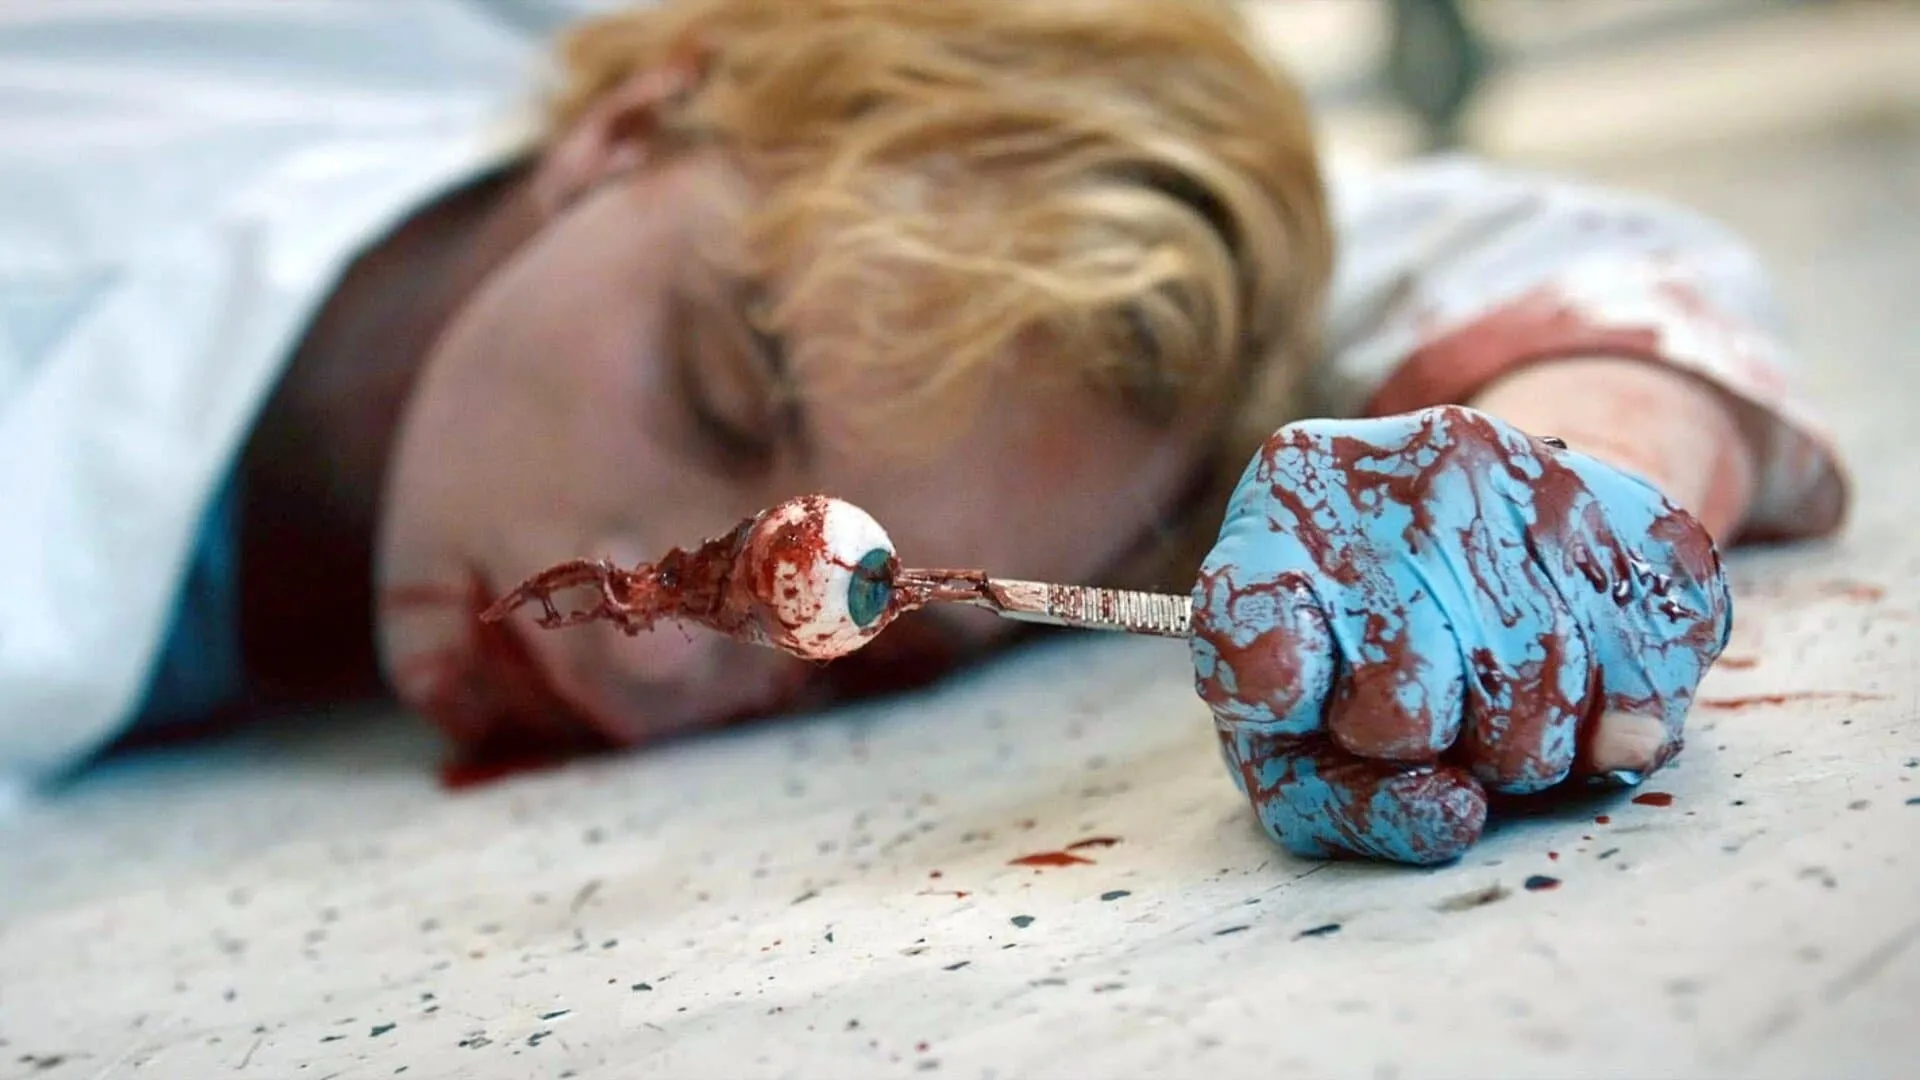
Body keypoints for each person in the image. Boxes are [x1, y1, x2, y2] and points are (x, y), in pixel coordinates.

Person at [0, 0, 1847, 863]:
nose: (662, 657)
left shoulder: (761, 206)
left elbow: (1517, 247)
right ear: (629, 125)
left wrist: (1547, 525)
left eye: (858, 635)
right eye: (720, 398)